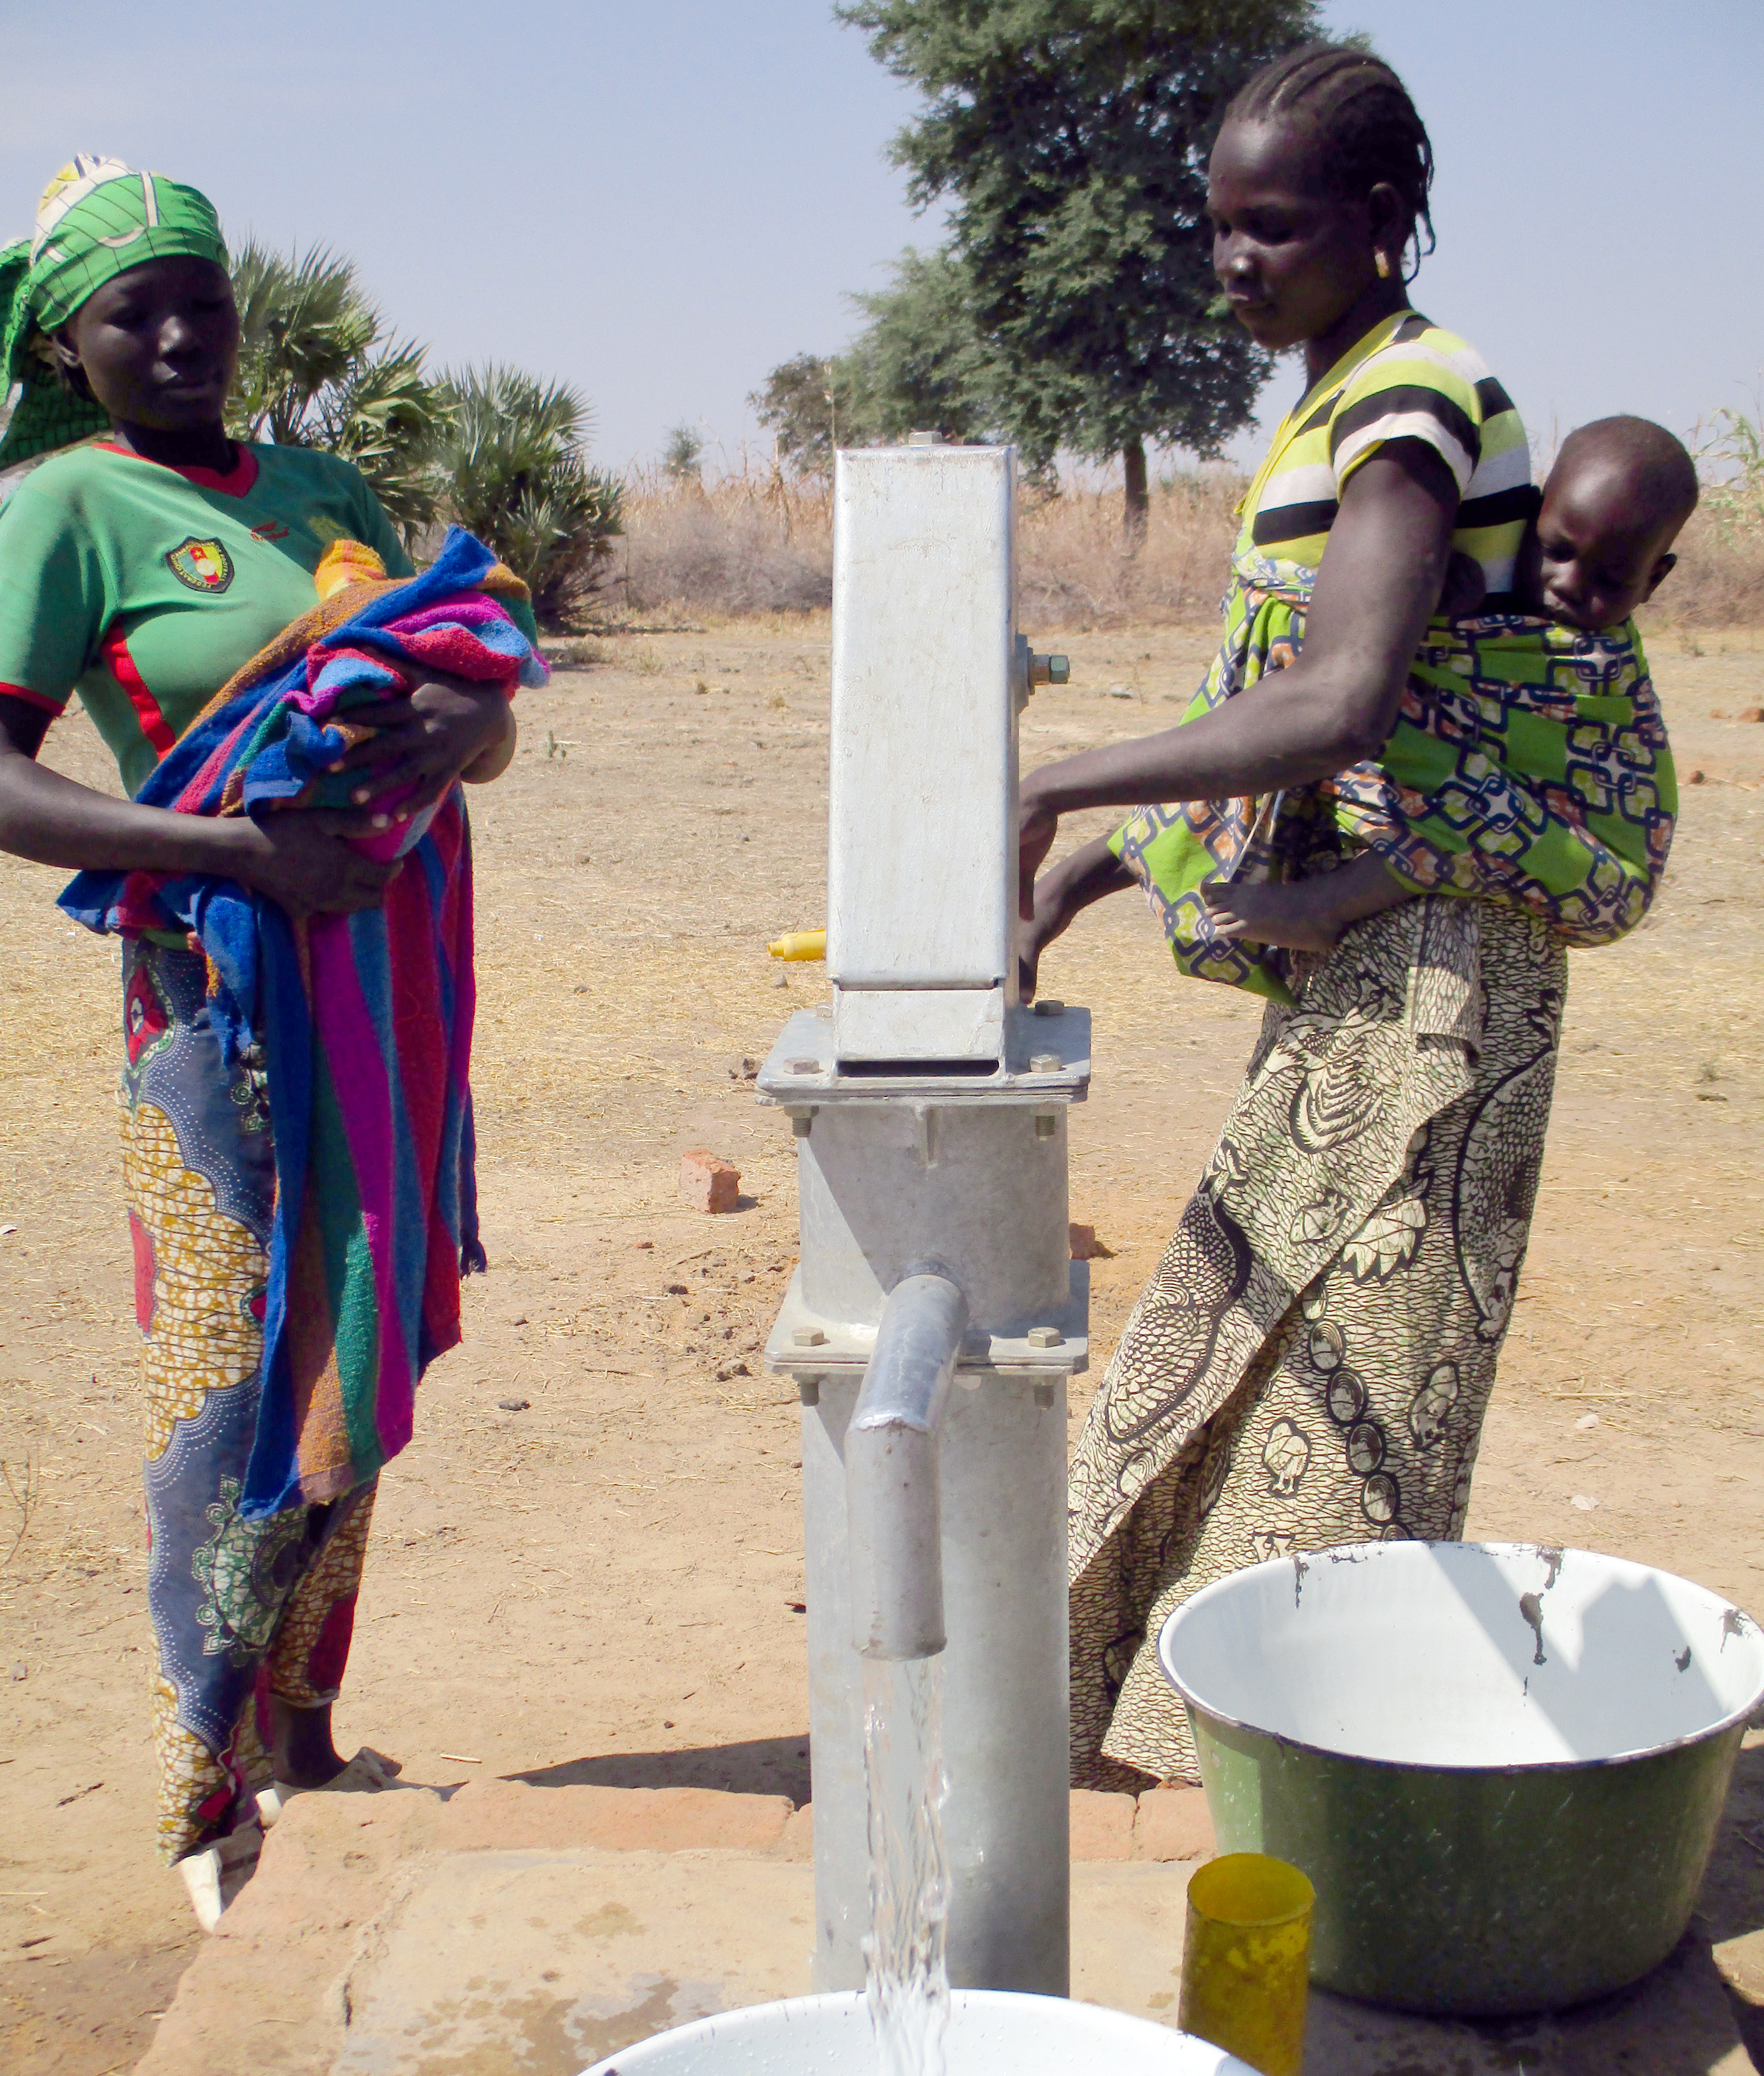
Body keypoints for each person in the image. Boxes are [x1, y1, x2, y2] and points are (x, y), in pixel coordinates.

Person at [1014, 46, 1676, 1789]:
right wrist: (1086, 873)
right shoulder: (1334, 403)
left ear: (1380, 225)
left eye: (1273, 228)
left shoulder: (1412, 403)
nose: (1232, 261)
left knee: (1344, 1405)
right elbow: (1267, 723)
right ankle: (1224, 1783)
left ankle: (1298, 1823)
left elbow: (1340, 707)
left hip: (1438, 987)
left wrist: (1057, 782)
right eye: (1217, 228)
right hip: (1366, 973)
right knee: (1239, 1360)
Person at [0, 159, 520, 1918]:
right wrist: (238, 853)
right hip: (210, 1008)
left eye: (198, 301)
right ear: (69, 347)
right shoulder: (63, 510)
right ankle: (198, 1791)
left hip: (384, 990)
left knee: (345, 1347)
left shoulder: (321, 490)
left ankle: (307, 1739)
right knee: (221, 1387)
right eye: (129, 312)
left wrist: (463, 719)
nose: (172, 337)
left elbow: (467, 715)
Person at [1197, 416, 1697, 955]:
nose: (1570, 585)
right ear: (1527, 518)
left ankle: (1326, 906)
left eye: (1611, 579)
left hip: (1602, 878)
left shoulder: (1600, 664)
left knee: (1456, 795)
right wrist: (1437, 599)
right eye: (1556, 550)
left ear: (1654, 579)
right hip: (1529, 843)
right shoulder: (1492, 610)